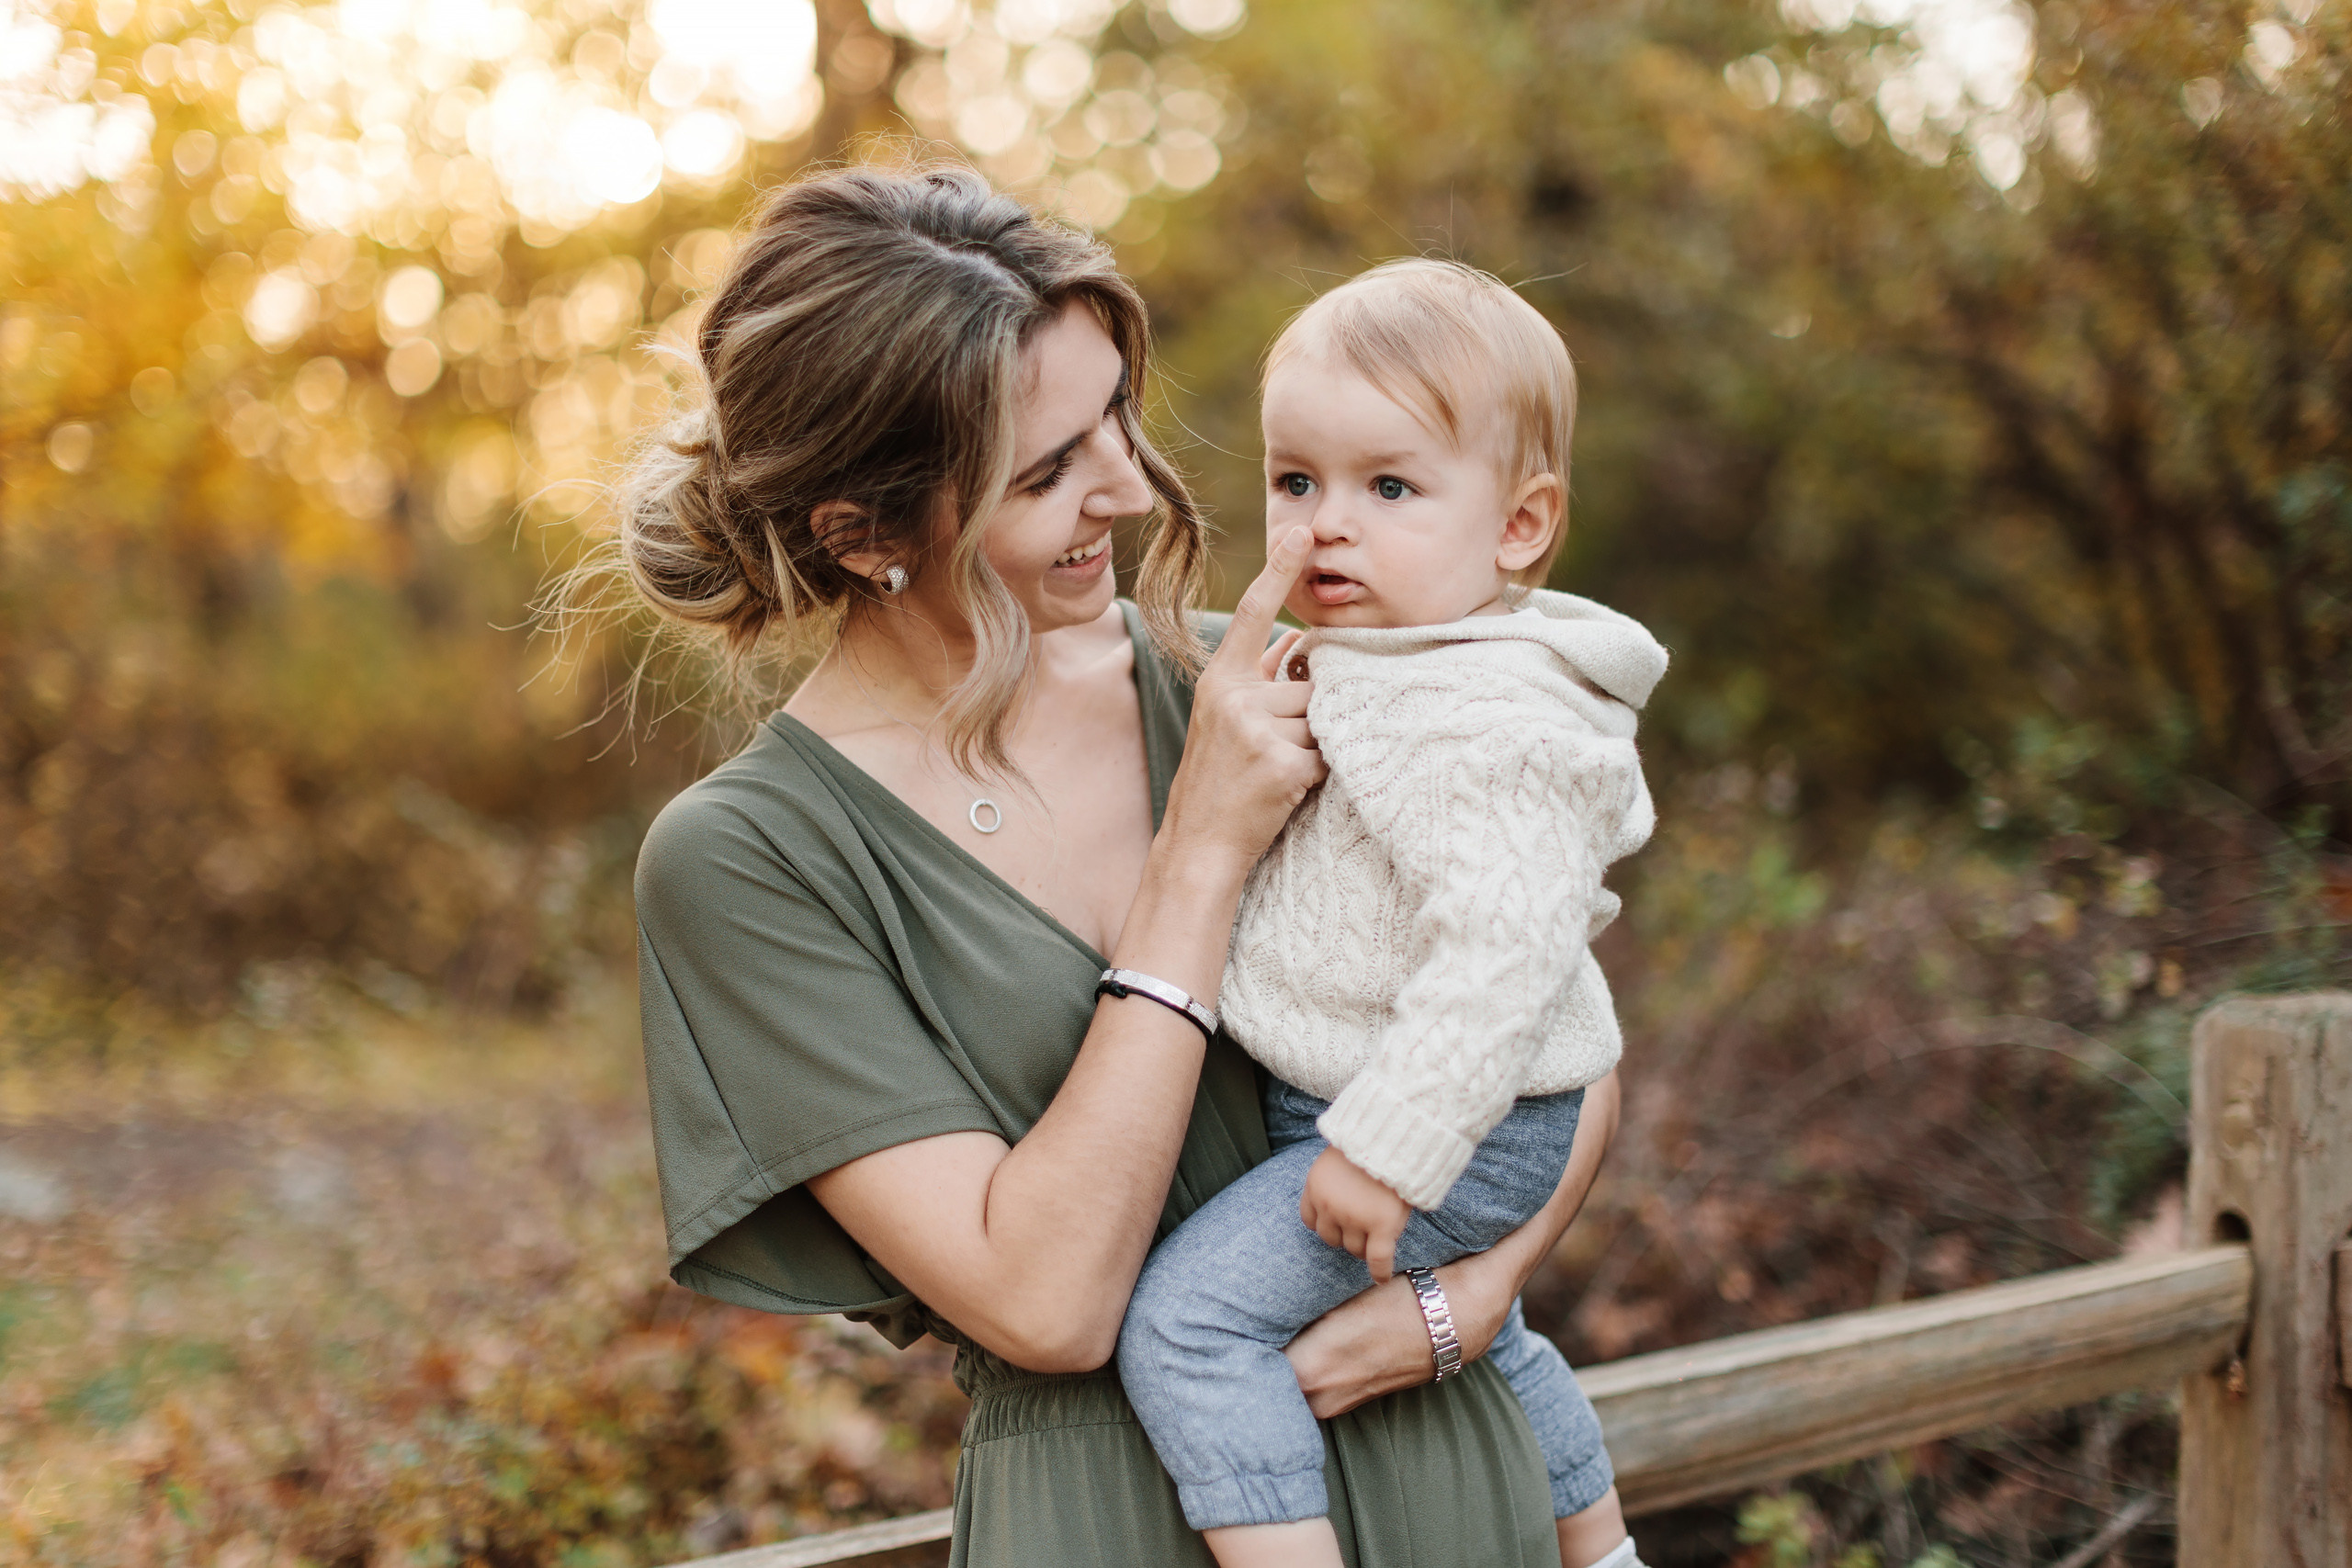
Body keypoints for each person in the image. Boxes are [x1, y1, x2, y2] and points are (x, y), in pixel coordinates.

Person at [617, 164, 1622, 1567]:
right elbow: (1048, 1303)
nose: (1133, 491)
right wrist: (1201, 849)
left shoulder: (1261, 672)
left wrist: (1474, 1297)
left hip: (1443, 1464)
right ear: (863, 535)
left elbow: (1558, 1023)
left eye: (1115, 424)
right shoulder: (752, 863)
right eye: (1046, 471)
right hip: (1107, 1517)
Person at [1115, 261, 1662, 1568]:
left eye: (1390, 487)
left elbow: (1508, 950)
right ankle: (1602, 1550)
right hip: (1431, 1114)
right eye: (1295, 482)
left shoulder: (1485, 715)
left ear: (1521, 529)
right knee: (1496, 1334)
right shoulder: (1397, 660)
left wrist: (1387, 1146)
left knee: (1187, 1327)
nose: (1323, 528)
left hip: (1437, 1127)